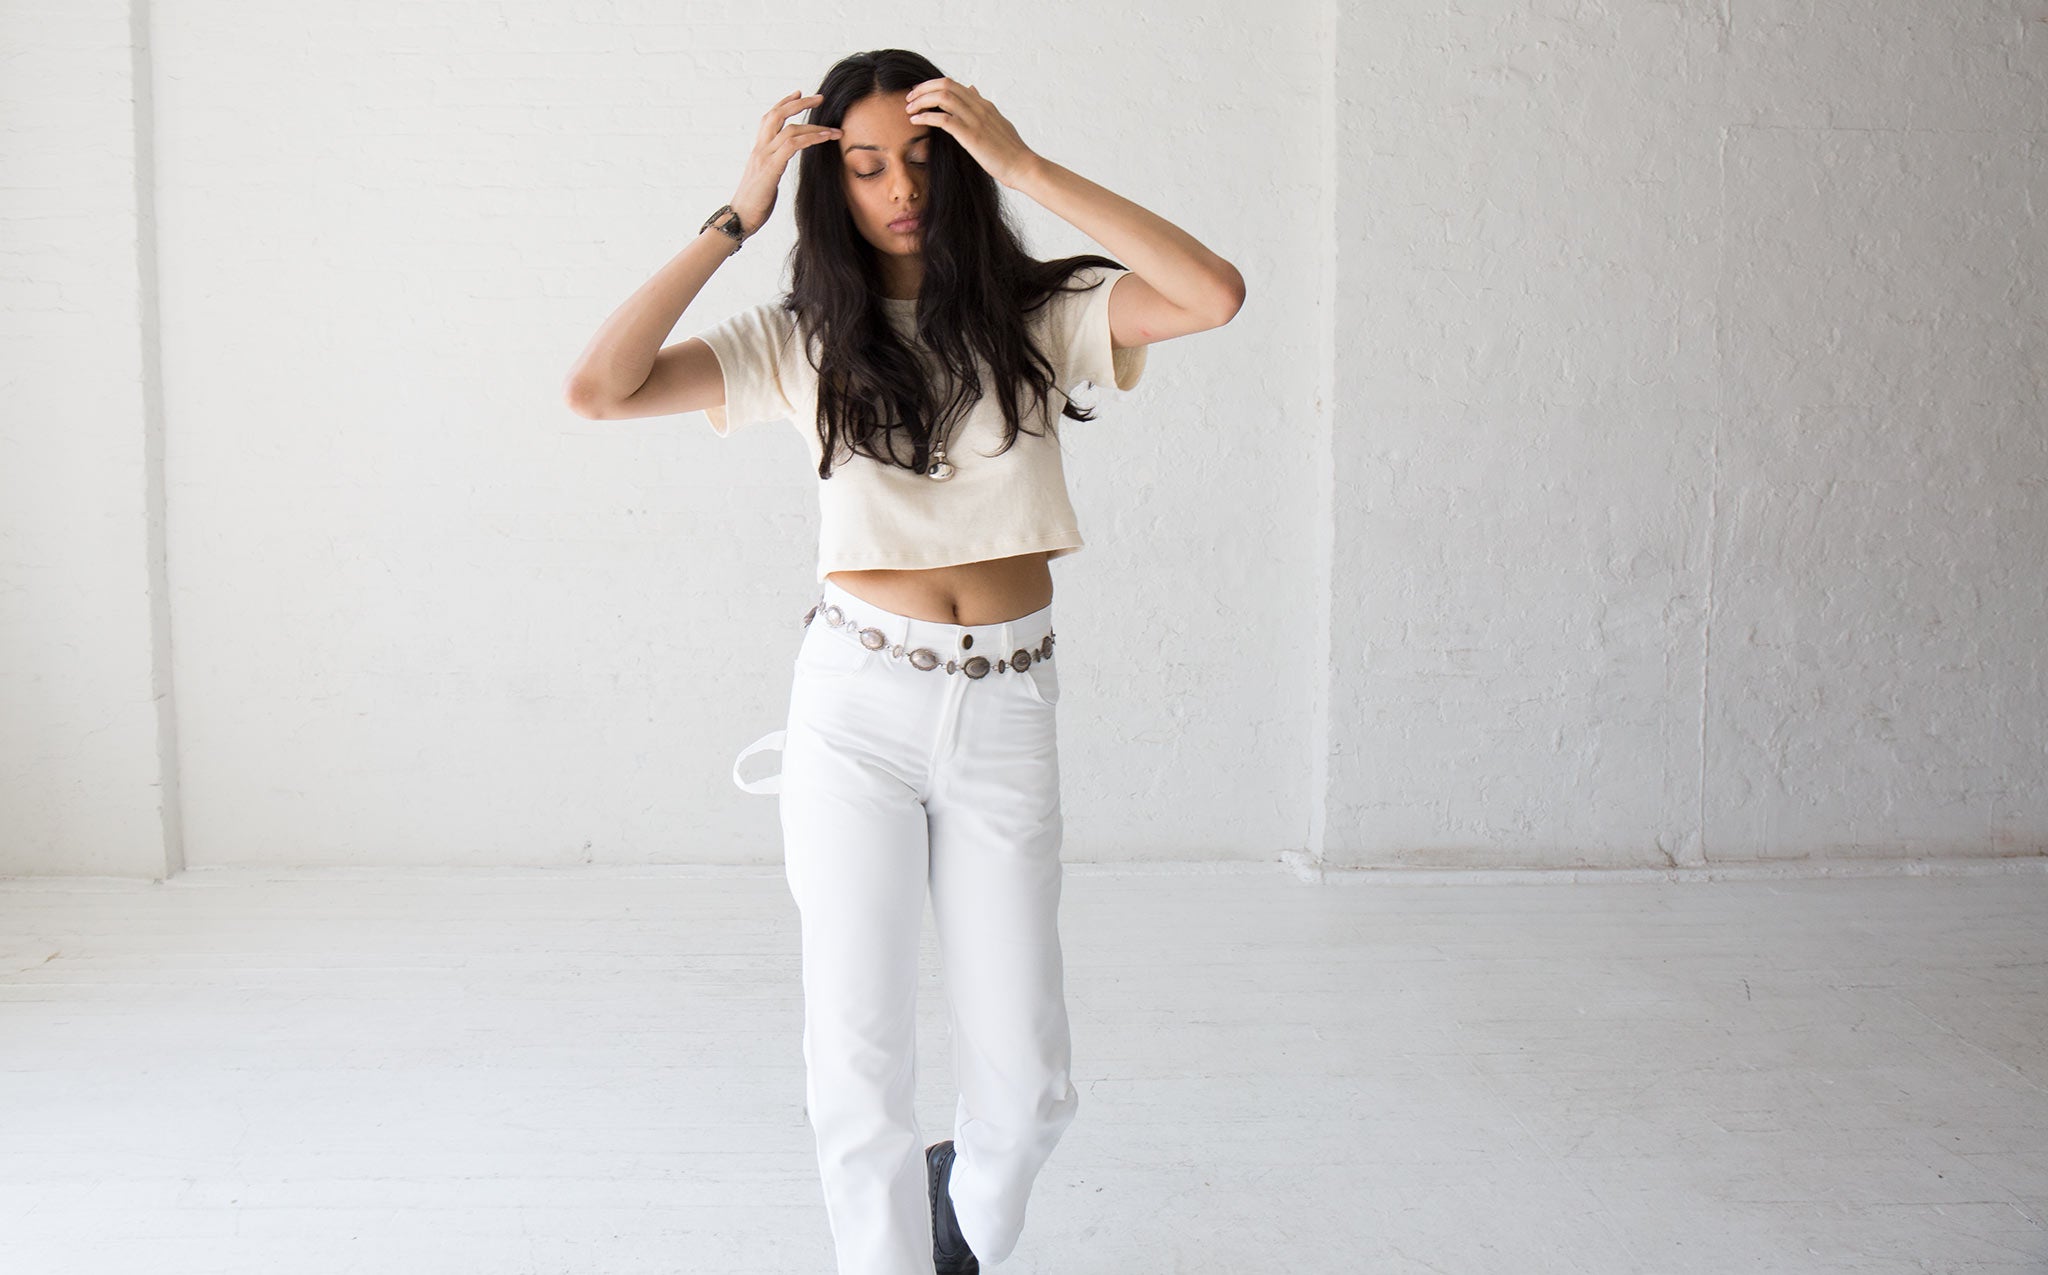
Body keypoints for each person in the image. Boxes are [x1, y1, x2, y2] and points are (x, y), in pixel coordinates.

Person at [562, 47, 1243, 1275]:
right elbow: (598, 391)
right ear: (832, 186)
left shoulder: (1037, 316)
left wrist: (1025, 164)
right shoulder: (798, 339)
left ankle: (958, 1216)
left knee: (1028, 1082)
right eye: (867, 166)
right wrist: (733, 217)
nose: (899, 189)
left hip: (1005, 705)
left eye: (924, 159)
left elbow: (1212, 294)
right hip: (855, 712)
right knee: (858, 1056)